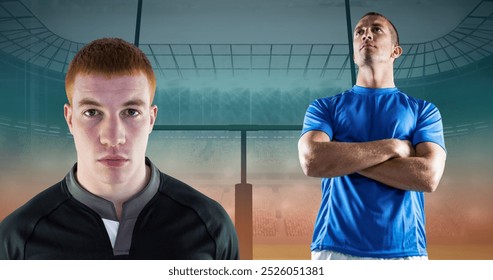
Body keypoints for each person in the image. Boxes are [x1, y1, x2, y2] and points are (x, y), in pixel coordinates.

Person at [0, 38, 239, 260]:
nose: (112, 137)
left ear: (151, 119)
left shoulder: (210, 226)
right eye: (92, 112)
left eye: (131, 112)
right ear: (70, 119)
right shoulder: (16, 239)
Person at [298, 12, 447, 260]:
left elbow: (428, 176)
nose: (366, 33)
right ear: (355, 54)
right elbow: (312, 161)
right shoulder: (324, 107)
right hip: (335, 249)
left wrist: (340, 157)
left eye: (377, 29)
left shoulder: (424, 111)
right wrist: (393, 146)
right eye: (359, 32)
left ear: (395, 51)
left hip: (405, 251)